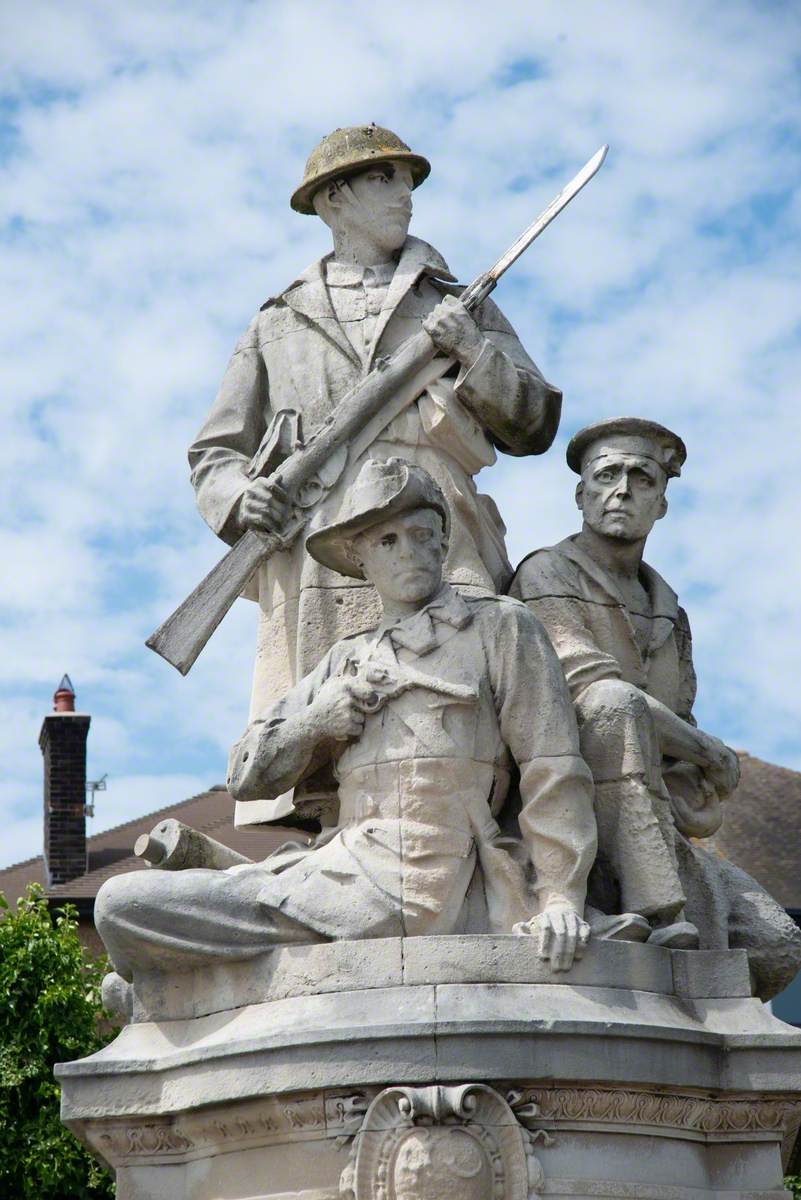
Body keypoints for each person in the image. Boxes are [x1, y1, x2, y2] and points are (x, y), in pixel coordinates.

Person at [95, 459, 597, 984]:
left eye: (421, 534)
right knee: (121, 904)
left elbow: (553, 767)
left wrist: (562, 896)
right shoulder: (344, 659)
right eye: (387, 541)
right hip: (336, 866)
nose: (408, 551)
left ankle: (186, 981)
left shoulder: (501, 627)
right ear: (359, 559)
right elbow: (245, 775)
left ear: (442, 543)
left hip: (428, 873)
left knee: (125, 906)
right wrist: (316, 723)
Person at [188, 125, 562, 825]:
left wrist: (473, 350)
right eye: (384, 179)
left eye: (408, 181)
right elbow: (215, 452)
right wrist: (245, 495)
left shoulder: (455, 303)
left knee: (471, 680)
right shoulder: (276, 321)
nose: (406, 197)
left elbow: (534, 420)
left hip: (436, 520)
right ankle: (329, 841)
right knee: (324, 710)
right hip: (319, 536)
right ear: (334, 198)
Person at [509, 418, 801, 996]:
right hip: (563, 798)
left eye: (641, 478)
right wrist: (705, 751)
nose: (621, 490)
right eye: (606, 476)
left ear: (661, 504)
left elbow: (680, 721)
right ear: (581, 495)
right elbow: (587, 686)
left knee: (773, 944)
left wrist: (698, 763)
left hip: (653, 814)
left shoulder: (670, 611)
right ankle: (660, 914)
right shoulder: (545, 573)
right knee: (614, 704)